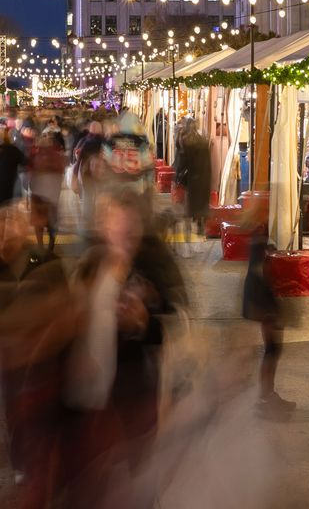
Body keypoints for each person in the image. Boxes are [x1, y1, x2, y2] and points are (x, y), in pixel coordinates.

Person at [61, 189, 186, 505]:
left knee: (138, 478)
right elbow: (69, 318)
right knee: (91, 481)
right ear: (105, 225)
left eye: (132, 229)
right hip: (88, 395)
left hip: (133, 395)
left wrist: (143, 323)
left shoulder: (151, 269)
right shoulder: (90, 264)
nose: (126, 234)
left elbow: (173, 325)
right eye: (120, 226)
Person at [0, 202, 74, 503]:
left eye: (12, 224)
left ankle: (45, 465)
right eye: (1, 225)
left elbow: (64, 303)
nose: (6, 230)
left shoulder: (45, 260)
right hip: (10, 350)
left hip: (41, 349)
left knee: (40, 406)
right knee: (12, 407)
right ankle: (23, 461)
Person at [239, 196, 296, 418]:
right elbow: (259, 269)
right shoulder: (259, 231)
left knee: (273, 349)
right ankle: (265, 398)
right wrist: (267, 305)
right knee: (272, 349)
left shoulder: (256, 231)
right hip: (260, 295)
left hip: (259, 294)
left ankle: (268, 395)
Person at [173, 118, 214, 238]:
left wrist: (178, 175)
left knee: (192, 201)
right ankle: (200, 224)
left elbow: (182, 161)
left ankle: (189, 226)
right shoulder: (203, 140)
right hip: (205, 175)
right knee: (202, 202)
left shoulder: (187, 141)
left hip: (193, 176)